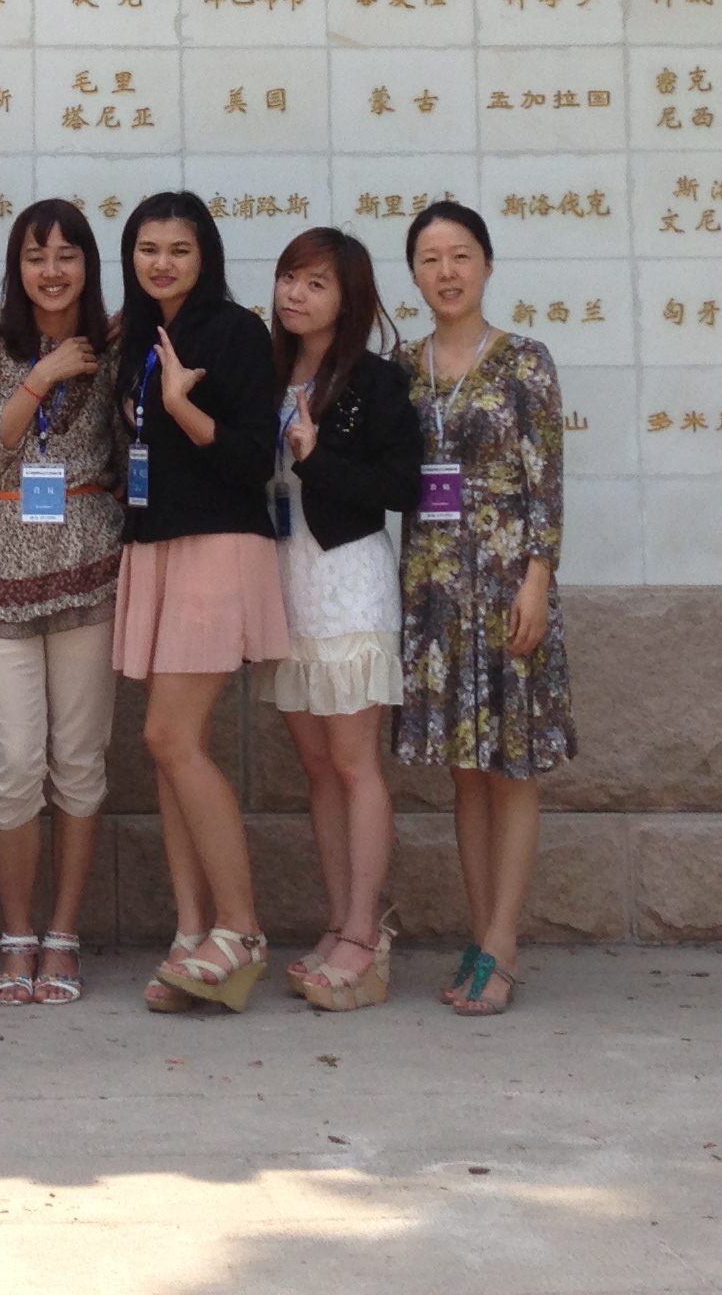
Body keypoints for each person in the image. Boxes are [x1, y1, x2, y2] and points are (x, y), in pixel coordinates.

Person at [396, 200, 576, 1019]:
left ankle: (503, 943)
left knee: (513, 765)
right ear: (414, 274)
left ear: (488, 265)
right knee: (464, 770)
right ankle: (481, 937)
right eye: (431, 259)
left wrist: (538, 577)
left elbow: (547, 480)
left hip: (507, 584)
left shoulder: (525, 361)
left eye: (461, 255)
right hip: (433, 586)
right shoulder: (404, 365)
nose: (447, 272)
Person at [0, 198, 123, 1006]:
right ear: (16, 266)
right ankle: (16, 935)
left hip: (88, 565)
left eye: (66, 255)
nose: (51, 271)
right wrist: (43, 375)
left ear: (88, 263)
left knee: (80, 763)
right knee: (15, 763)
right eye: (35, 256)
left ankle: (63, 936)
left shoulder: (115, 345)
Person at [110, 191, 285, 1015]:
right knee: (173, 748)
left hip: (218, 545)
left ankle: (241, 929)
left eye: (179, 249)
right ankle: (191, 934)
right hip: (156, 544)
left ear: (205, 255)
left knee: (169, 735)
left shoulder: (236, 333)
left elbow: (253, 457)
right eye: (148, 248)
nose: (162, 263)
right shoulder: (140, 337)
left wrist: (181, 404)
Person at [262, 228, 419, 1013]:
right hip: (284, 582)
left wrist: (317, 456)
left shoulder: (375, 381)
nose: (296, 294)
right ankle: (337, 922)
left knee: (355, 764)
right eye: (290, 277)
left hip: (349, 582)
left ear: (347, 299)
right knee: (318, 767)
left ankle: (365, 933)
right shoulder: (266, 372)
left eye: (317, 283)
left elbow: (401, 486)